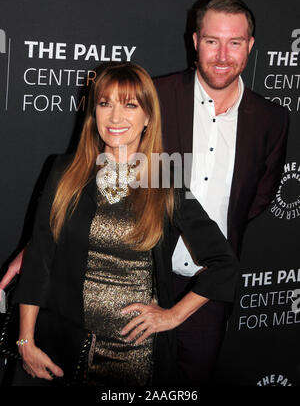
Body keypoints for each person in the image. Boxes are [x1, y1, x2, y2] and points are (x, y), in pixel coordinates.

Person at [7, 62, 238, 386]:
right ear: (93, 112)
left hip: (135, 359)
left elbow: (223, 263)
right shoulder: (64, 172)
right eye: (105, 103)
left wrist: (173, 315)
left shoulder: (163, 181)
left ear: (147, 117)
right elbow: (40, 261)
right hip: (66, 350)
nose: (115, 117)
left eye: (130, 105)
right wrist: (25, 341)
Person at [153, 0, 289, 385]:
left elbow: (258, 196)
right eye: (213, 41)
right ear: (195, 41)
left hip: (209, 292)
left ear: (249, 45)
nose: (223, 55)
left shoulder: (272, 119)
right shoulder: (155, 97)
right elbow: (100, 173)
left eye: (235, 43)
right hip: (142, 274)